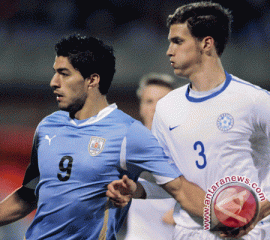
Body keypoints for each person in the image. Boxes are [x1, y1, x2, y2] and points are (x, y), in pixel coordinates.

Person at [0, 34, 206, 240]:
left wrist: (232, 221)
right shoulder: (48, 127)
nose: (54, 82)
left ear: (92, 80)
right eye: (55, 72)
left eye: (64, 73)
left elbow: (181, 189)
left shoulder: (128, 133)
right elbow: (29, 194)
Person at [107, 2, 270, 239]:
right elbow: (170, 183)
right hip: (189, 233)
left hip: (248, 233)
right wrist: (138, 189)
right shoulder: (167, 108)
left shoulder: (254, 101)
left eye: (178, 41)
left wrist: (260, 209)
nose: (169, 50)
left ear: (206, 43)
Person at [119, 73, 177, 240]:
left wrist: (185, 213)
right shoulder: (124, 145)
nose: (155, 108)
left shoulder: (188, 148)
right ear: (141, 107)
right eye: (149, 101)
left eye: (162, 102)